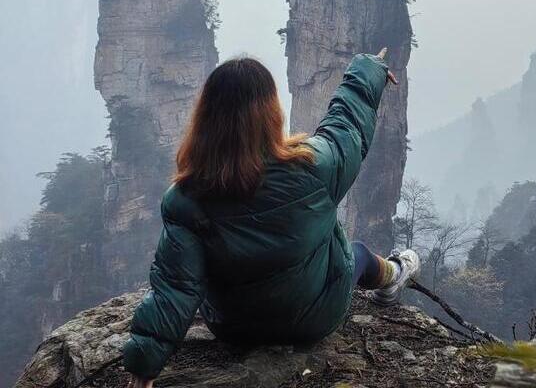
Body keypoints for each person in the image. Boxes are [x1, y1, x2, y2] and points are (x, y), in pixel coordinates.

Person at [124, 49, 420, 388]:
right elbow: (346, 127)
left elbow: (175, 288)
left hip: (234, 329)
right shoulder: (315, 168)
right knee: (358, 254)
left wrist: (143, 369)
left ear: (206, 119)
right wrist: (368, 69)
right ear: (270, 114)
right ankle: (395, 274)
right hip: (316, 318)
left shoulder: (186, 199)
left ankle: (392, 273)